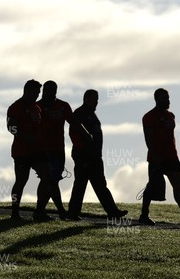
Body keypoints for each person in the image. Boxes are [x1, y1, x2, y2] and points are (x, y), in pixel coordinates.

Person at [139, 88, 180, 225]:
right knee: (151, 186)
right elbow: (148, 140)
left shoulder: (171, 116)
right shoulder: (148, 117)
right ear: (157, 99)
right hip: (156, 158)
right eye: (164, 98)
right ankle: (144, 214)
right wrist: (155, 157)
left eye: (168, 98)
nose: (167, 101)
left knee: (177, 185)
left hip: (172, 156)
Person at [66, 89, 127, 220]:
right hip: (84, 157)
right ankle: (73, 213)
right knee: (81, 185)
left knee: (100, 185)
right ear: (86, 98)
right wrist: (83, 151)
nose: (97, 101)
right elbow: (74, 133)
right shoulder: (80, 113)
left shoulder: (92, 115)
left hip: (95, 157)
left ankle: (112, 211)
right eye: (94, 98)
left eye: (97, 99)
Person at [37, 80, 90, 220]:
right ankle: (50, 211)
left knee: (53, 180)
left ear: (55, 91)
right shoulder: (38, 106)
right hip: (43, 150)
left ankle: (50, 211)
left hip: (58, 150)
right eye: (45, 91)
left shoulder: (63, 106)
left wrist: (86, 135)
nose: (46, 94)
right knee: (47, 179)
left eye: (50, 90)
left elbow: (74, 122)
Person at [7, 79, 52, 221]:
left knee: (47, 177)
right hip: (22, 152)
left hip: (38, 150)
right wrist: (25, 137)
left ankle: (39, 211)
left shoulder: (37, 108)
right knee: (21, 181)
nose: (37, 96)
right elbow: (11, 128)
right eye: (35, 92)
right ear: (27, 91)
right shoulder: (15, 107)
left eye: (38, 93)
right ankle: (15, 212)